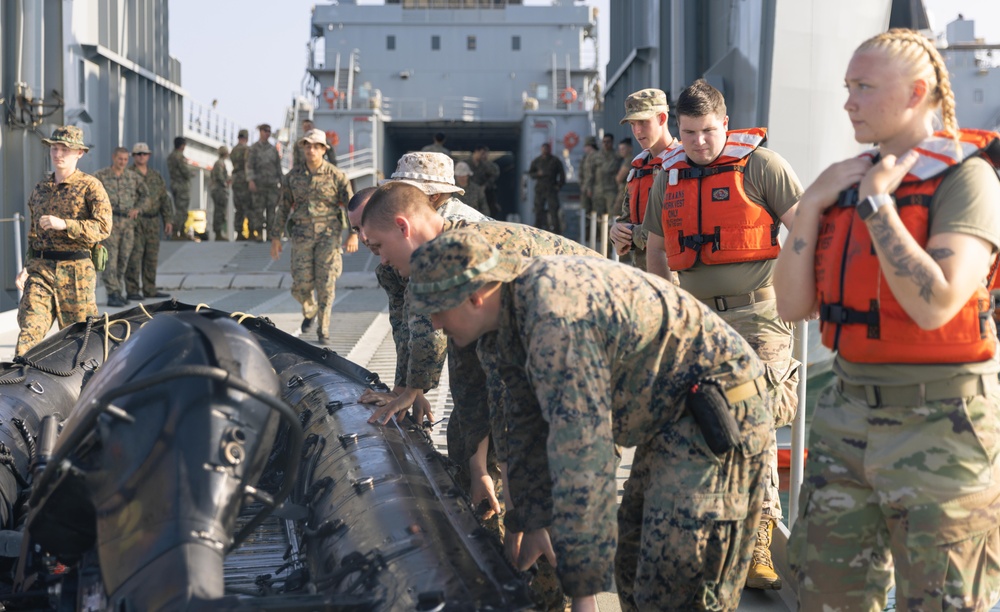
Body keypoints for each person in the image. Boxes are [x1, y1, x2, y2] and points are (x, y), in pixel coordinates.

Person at [407, 228, 772, 611]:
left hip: (715, 412)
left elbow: (584, 453)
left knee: (677, 579)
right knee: (631, 565)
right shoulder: (512, 313)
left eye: (437, 310)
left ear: (475, 297)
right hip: (668, 417)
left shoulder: (554, 320)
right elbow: (527, 422)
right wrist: (531, 519)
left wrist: (581, 595)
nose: (434, 324)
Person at [774, 29, 1000, 610]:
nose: (848, 101)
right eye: (847, 86)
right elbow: (792, 307)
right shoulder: (843, 180)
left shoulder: (967, 180)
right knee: (826, 593)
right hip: (845, 415)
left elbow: (936, 304)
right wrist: (812, 207)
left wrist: (878, 205)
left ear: (916, 93)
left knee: (942, 599)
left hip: (941, 424)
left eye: (864, 87)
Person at [358, 185, 594, 612]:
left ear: (402, 226)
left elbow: (529, 413)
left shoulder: (480, 258)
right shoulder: (446, 265)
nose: (380, 258)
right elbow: (470, 380)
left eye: (378, 245)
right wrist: (477, 466)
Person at [643, 79, 803, 591]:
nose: (699, 143)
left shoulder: (762, 166)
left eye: (708, 132)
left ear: (725, 124)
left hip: (759, 319)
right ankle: (714, 537)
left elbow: (804, 230)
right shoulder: (668, 177)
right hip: (697, 325)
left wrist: (797, 297)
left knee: (754, 418)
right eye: (689, 133)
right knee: (699, 427)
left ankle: (758, 539)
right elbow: (656, 251)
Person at [349, 152, 489, 430]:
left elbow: (429, 326)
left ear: (433, 197)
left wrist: (413, 390)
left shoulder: (442, 239)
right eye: (357, 228)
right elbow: (406, 325)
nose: (364, 235)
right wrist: (405, 390)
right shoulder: (404, 246)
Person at [14, 126, 112, 355]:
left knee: (81, 341)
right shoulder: (40, 190)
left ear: (79, 153)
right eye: (55, 148)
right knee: (29, 333)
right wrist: (27, 268)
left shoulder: (90, 186)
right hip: (41, 272)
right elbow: (34, 235)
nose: (58, 154)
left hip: (76, 273)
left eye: (65, 149)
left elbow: (104, 227)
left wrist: (65, 224)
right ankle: (16, 386)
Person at [270, 129, 356, 344]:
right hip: (301, 235)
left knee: (326, 283)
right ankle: (310, 310)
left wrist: (354, 234)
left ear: (324, 150)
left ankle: (323, 329)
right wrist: (275, 237)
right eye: (307, 145)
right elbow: (283, 207)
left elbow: (351, 206)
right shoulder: (292, 177)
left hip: (329, 235)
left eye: (316, 146)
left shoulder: (337, 176)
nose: (311, 149)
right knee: (300, 284)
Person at [610, 89, 678, 271]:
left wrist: (633, 235)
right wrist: (616, 232)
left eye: (643, 122)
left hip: (675, 279)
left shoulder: (682, 164)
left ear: (662, 119)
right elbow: (625, 218)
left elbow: (676, 225)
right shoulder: (638, 167)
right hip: (642, 275)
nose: (637, 131)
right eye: (632, 124)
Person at [94, 146, 147, 307]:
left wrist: (137, 208)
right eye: (120, 159)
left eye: (125, 159)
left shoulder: (132, 177)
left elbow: (145, 195)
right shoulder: (101, 176)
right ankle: (112, 293)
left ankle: (118, 290)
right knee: (111, 259)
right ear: (113, 158)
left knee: (124, 258)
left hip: (127, 224)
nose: (123, 162)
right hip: (110, 223)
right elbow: (90, 194)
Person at [124, 142, 173, 302]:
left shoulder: (155, 176)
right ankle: (132, 289)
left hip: (153, 221)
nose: (141, 157)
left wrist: (168, 220)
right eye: (138, 154)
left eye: (144, 154)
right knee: (135, 256)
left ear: (149, 155)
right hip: (136, 222)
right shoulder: (128, 174)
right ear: (133, 156)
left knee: (151, 256)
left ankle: (149, 288)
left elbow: (164, 199)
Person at [246, 123, 282, 241]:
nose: (267, 133)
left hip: (271, 184)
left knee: (271, 209)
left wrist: (282, 183)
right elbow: (249, 165)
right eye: (265, 131)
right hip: (259, 184)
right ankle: (259, 233)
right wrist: (251, 180)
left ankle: (271, 233)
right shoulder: (254, 148)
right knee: (259, 209)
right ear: (260, 132)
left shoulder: (273, 149)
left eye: (269, 131)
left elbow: (278, 167)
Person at [527, 143, 565, 234]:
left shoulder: (555, 161)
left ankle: (556, 231)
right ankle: (537, 230)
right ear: (541, 149)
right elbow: (531, 173)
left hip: (551, 188)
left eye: (547, 149)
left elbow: (562, 175)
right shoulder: (537, 161)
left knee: (553, 211)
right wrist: (537, 174)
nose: (545, 150)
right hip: (540, 189)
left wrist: (558, 186)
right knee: (538, 210)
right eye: (543, 149)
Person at [587, 133, 621, 220]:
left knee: (612, 215)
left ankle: (609, 233)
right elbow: (591, 173)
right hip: (598, 190)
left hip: (611, 190)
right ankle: (598, 233)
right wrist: (589, 188)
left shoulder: (617, 156)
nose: (606, 144)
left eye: (608, 142)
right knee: (598, 216)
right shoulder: (596, 156)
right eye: (604, 142)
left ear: (612, 142)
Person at [167, 136, 193, 240]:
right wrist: (191, 174)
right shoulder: (179, 156)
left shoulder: (171, 156)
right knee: (182, 210)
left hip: (175, 184)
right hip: (181, 186)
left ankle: (181, 232)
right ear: (182, 145)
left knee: (179, 208)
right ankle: (176, 232)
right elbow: (185, 171)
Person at [230, 129, 251, 240]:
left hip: (236, 180)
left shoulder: (233, 150)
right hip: (244, 180)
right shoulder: (247, 149)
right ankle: (251, 231)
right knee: (248, 206)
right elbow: (249, 165)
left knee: (238, 208)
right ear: (246, 138)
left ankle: (238, 232)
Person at [469, 145, 500, 218]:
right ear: (476, 152)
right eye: (482, 153)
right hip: (470, 192)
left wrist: (485, 186)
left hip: (484, 192)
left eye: (486, 154)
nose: (484, 156)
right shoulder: (467, 163)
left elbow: (495, 173)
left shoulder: (486, 165)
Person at [210, 146, 232, 241]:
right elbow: (219, 176)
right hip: (219, 190)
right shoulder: (220, 163)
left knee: (219, 211)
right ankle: (218, 233)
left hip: (217, 190)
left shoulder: (219, 163)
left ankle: (218, 233)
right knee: (219, 212)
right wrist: (225, 182)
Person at [578, 136, 598, 233]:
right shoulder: (587, 157)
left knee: (592, 212)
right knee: (585, 211)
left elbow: (591, 174)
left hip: (592, 189)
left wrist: (588, 187)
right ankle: (586, 233)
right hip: (586, 188)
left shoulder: (594, 156)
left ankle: (591, 234)